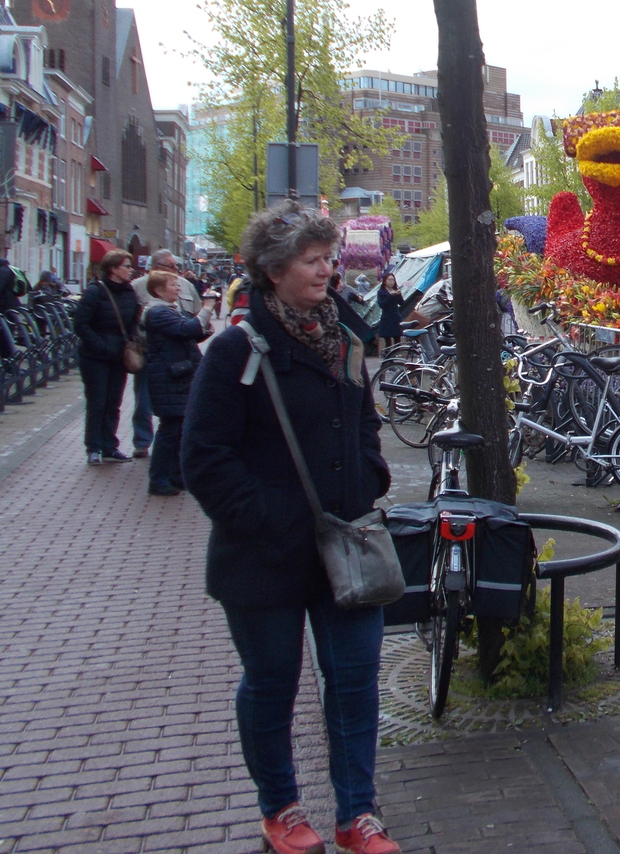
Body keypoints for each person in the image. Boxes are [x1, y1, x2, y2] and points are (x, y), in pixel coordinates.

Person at [181, 204, 400, 854]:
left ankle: (356, 813)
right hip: (264, 557)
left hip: (348, 545)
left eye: (329, 259)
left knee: (356, 682)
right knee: (273, 683)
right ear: (274, 271)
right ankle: (280, 807)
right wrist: (274, 517)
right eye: (313, 260)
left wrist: (371, 477)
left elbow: (364, 423)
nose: (327, 270)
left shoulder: (345, 341)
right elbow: (204, 459)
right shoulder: (235, 351)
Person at [142, 268, 212, 497]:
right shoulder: (158, 313)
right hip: (169, 376)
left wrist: (203, 327)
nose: (178, 288)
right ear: (159, 290)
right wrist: (207, 309)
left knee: (179, 428)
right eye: (173, 285)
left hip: (177, 374)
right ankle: (160, 478)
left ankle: (174, 476)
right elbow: (185, 329)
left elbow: (189, 333)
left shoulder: (170, 310)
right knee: (170, 429)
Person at [73, 249, 140, 466]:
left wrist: (130, 339)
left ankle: (110, 446)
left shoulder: (129, 292)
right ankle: (93, 447)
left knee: (114, 402)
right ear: (113, 269)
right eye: (126, 266)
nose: (130, 270)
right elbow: (81, 324)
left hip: (118, 355)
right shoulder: (95, 292)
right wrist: (100, 346)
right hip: (95, 357)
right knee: (97, 402)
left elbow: (131, 321)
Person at [375, 274, 404, 347]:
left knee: (397, 338)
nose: (392, 282)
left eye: (393, 280)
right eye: (389, 280)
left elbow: (402, 303)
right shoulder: (381, 292)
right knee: (387, 340)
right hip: (386, 317)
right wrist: (390, 296)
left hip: (395, 316)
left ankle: (397, 353)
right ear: (385, 281)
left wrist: (398, 295)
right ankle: (389, 355)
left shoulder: (395, 290)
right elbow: (382, 305)